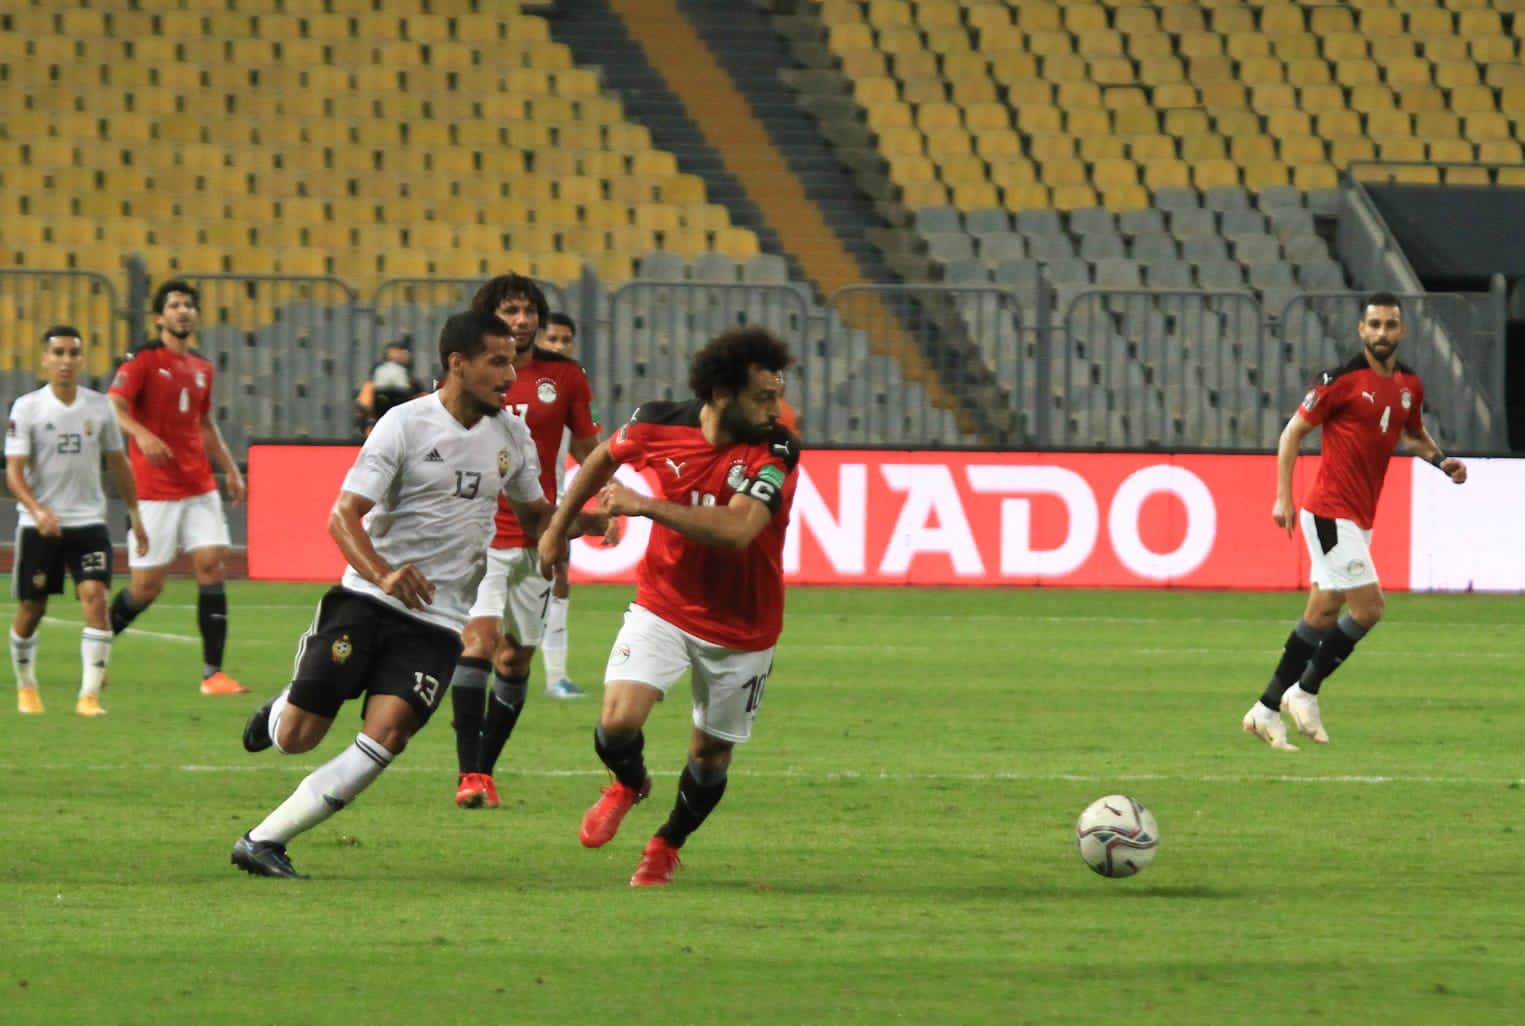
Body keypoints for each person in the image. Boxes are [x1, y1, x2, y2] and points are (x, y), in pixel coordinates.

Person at [229, 310, 547, 879]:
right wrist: (383, 574)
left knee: (389, 733)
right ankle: (280, 709)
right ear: (458, 363)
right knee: (298, 737)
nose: (509, 376)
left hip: (440, 620)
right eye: (497, 362)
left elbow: (536, 517)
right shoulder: (405, 424)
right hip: (367, 600)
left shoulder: (512, 436)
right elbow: (342, 515)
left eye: (513, 363)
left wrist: (591, 518)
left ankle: (263, 840)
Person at [538, 326, 801, 887]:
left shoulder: (777, 447)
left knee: (709, 756)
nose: (776, 410)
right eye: (764, 397)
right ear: (723, 395)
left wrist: (646, 505)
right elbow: (602, 457)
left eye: (778, 395)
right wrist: (558, 529)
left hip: (743, 626)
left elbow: (738, 530)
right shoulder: (657, 423)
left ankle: (666, 843)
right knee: (616, 723)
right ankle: (629, 783)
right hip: (666, 603)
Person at [1242, 292, 1466, 751]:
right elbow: (1292, 433)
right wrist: (1283, 496)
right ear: (1362, 330)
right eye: (1374, 324)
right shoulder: (1339, 381)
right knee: (1369, 608)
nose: (1382, 332)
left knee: (1323, 613)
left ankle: (1264, 710)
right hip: (1329, 511)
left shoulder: (1408, 385)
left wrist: (1441, 461)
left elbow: (1412, 434)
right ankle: (1304, 691)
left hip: (1359, 517)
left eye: (1390, 324)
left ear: (1402, 331)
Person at [450, 282, 605, 811]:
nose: (522, 319)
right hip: (481, 533)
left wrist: (605, 495)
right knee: (479, 641)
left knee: (515, 660)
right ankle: (468, 774)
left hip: (539, 535)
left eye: (529, 310)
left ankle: (484, 769)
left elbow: (587, 446)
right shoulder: (470, 373)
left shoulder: (565, 377)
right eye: (510, 310)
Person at [106, 280, 248, 695]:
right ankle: (97, 644)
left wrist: (230, 469)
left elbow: (204, 424)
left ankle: (213, 674)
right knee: (146, 589)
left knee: (211, 565)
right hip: (153, 490)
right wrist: (142, 435)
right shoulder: (143, 361)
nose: (183, 311)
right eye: (174, 305)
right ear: (159, 317)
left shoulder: (203, 367)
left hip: (198, 484)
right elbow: (112, 406)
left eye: (188, 305)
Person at [7, 327, 149, 716]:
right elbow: (14, 473)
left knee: (95, 598)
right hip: (39, 526)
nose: (66, 360)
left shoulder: (99, 407)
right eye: (58, 353)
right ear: (45, 359)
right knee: (32, 609)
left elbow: (119, 464)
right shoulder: (27, 408)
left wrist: (136, 517)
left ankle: (89, 697)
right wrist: (37, 510)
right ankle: (26, 686)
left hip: (89, 523)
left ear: (82, 359)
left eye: (73, 353)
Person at [537, 311, 585, 699]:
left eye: (565, 340)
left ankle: (556, 677)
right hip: (501, 499)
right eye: (552, 338)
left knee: (559, 576)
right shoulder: (513, 377)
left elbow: (586, 442)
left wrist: (608, 482)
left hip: (550, 498)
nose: (559, 346)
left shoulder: (573, 382)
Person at [354, 334, 426, 437]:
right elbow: (364, 404)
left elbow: (424, 404)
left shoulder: (413, 383)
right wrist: (368, 424)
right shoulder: (373, 382)